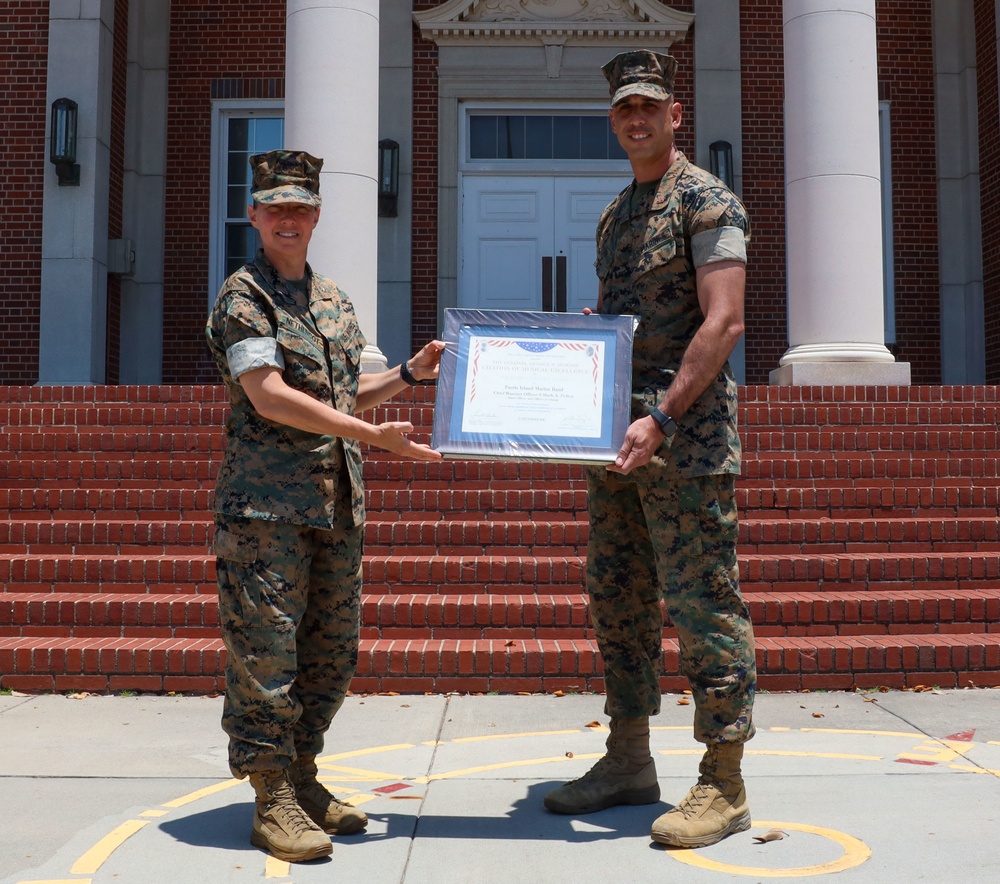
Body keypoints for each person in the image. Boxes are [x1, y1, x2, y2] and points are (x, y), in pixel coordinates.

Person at [542, 51, 757, 849]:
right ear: (614, 121)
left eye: (650, 107)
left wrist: (662, 418)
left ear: (675, 115)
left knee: (704, 605)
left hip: (683, 442)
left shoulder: (706, 201)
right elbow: (626, 322)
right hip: (616, 444)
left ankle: (724, 781)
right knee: (619, 597)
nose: (637, 120)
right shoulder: (615, 215)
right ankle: (629, 758)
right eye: (624, 110)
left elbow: (723, 321)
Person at [206, 149, 444, 863]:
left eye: (300, 207)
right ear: (254, 214)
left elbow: (339, 400)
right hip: (266, 516)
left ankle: (303, 773)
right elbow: (270, 395)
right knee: (267, 656)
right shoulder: (242, 297)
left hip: (336, 511)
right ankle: (270, 791)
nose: (288, 217)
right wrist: (372, 436)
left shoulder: (334, 301)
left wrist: (405, 376)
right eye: (274, 206)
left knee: (330, 656)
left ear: (316, 215)